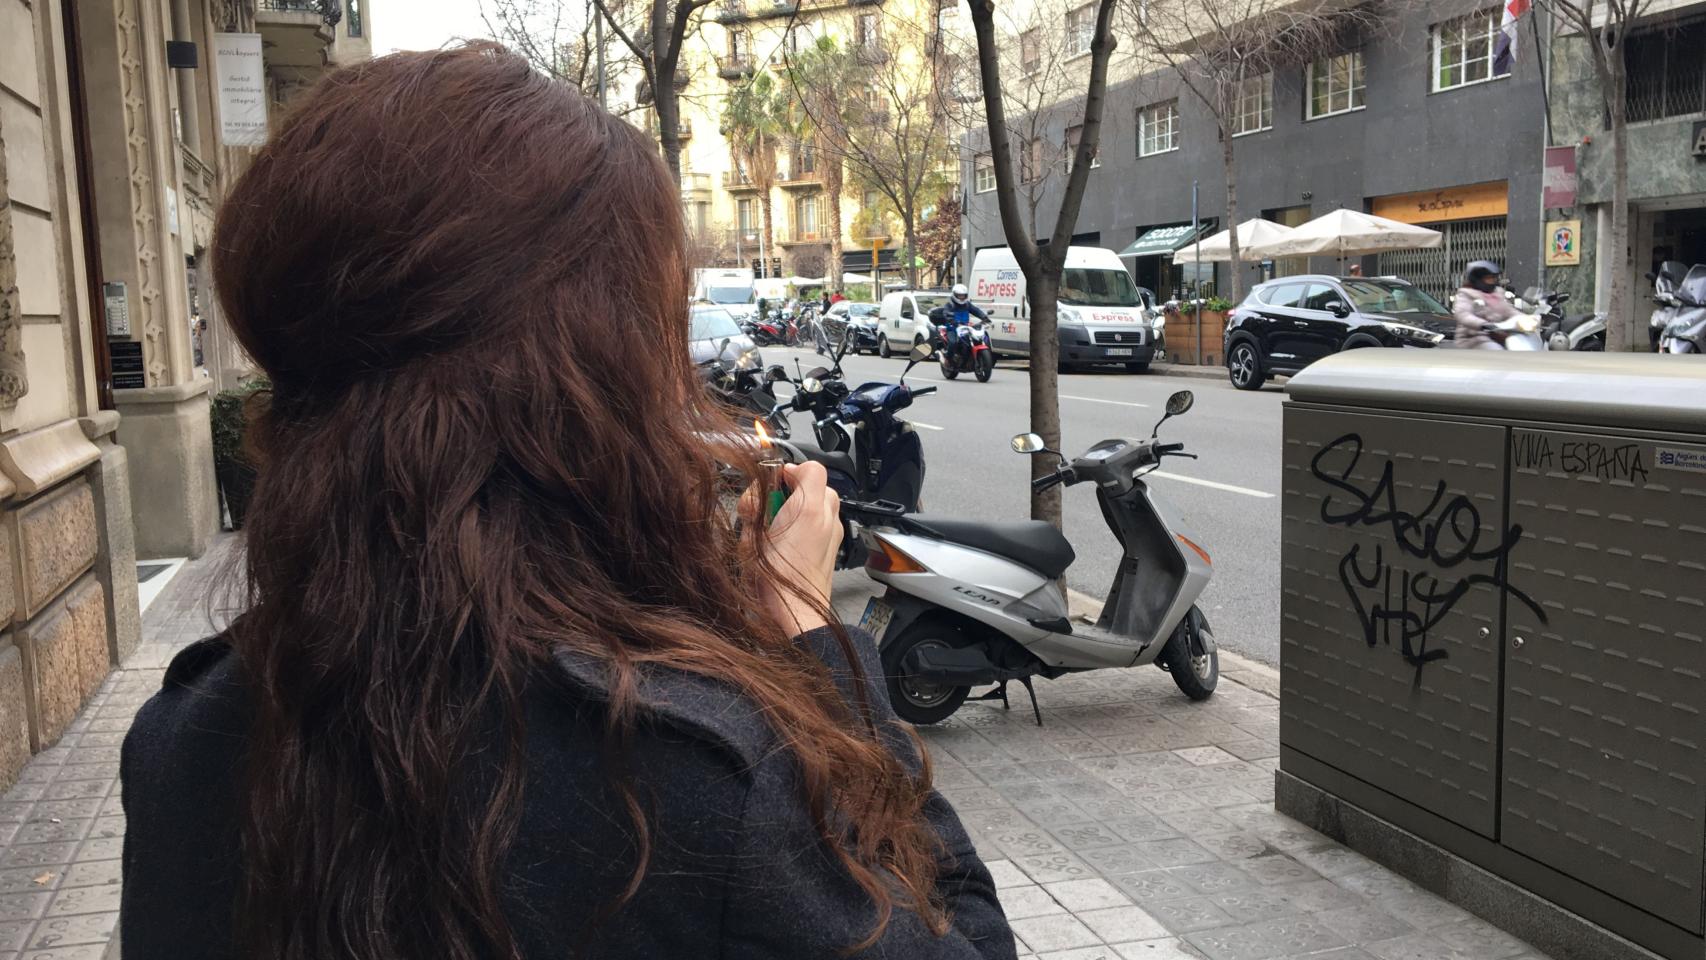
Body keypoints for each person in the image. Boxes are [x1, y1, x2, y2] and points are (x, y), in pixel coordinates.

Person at [118, 44, 1014, 960]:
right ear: (589, 375)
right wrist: (816, 646)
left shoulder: (183, 740)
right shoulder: (697, 781)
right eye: (658, 329)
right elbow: (968, 939)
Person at [1452, 260, 1519, 349]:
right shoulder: (1466, 294)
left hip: (1499, 336)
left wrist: (1526, 318)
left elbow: (1509, 311)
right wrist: (1483, 324)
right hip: (1473, 338)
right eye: (1488, 278)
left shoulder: (1498, 294)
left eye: (1494, 278)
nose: (1493, 281)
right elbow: (1463, 314)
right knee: (1495, 349)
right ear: (1477, 279)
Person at [931, 283, 989, 359]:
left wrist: (984, 317)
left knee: (977, 339)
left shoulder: (967, 304)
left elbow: (976, 310)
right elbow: (946, 314)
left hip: (965, 328)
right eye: (959, 296)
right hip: (952, 328)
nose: (962, 297)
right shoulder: (949, 305)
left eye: (963, 296)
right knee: (953, 343)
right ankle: (949, 359)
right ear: (955, 295)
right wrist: (953, 321)